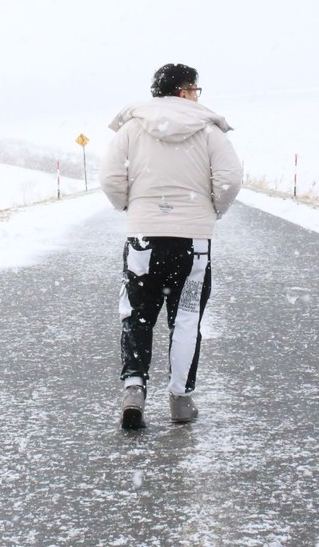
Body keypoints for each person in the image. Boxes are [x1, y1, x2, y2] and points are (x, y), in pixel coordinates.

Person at [98, 63, 243, 429]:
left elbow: (111, 177)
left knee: (137, 315)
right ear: (182, 91)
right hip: (192, 242)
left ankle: (134, 389)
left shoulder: (131, 129)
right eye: (195, 89)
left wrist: (131, 208)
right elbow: (229, 179)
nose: (197, 96)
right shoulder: (209, 132)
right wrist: (211, 210)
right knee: (186, 320)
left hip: (143, 239)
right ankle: (180, 399)